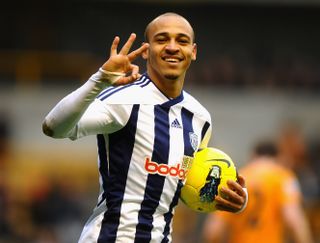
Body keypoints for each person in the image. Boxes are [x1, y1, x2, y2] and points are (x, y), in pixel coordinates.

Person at [42, 12, 247, 243]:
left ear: (194, 51)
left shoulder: (200, 118)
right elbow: (53, 127)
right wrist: (100, 79)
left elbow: (187, 184)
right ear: (147, 51)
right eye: (162, 39)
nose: (172, 47)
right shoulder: (124, 99)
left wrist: (235, 199)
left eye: (181, 40)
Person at [202, 141, 314, 243]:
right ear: (277, 157)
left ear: (253, 156)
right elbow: (293, 219)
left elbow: (214, 231)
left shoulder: (236, 180)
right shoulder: (283, 177)